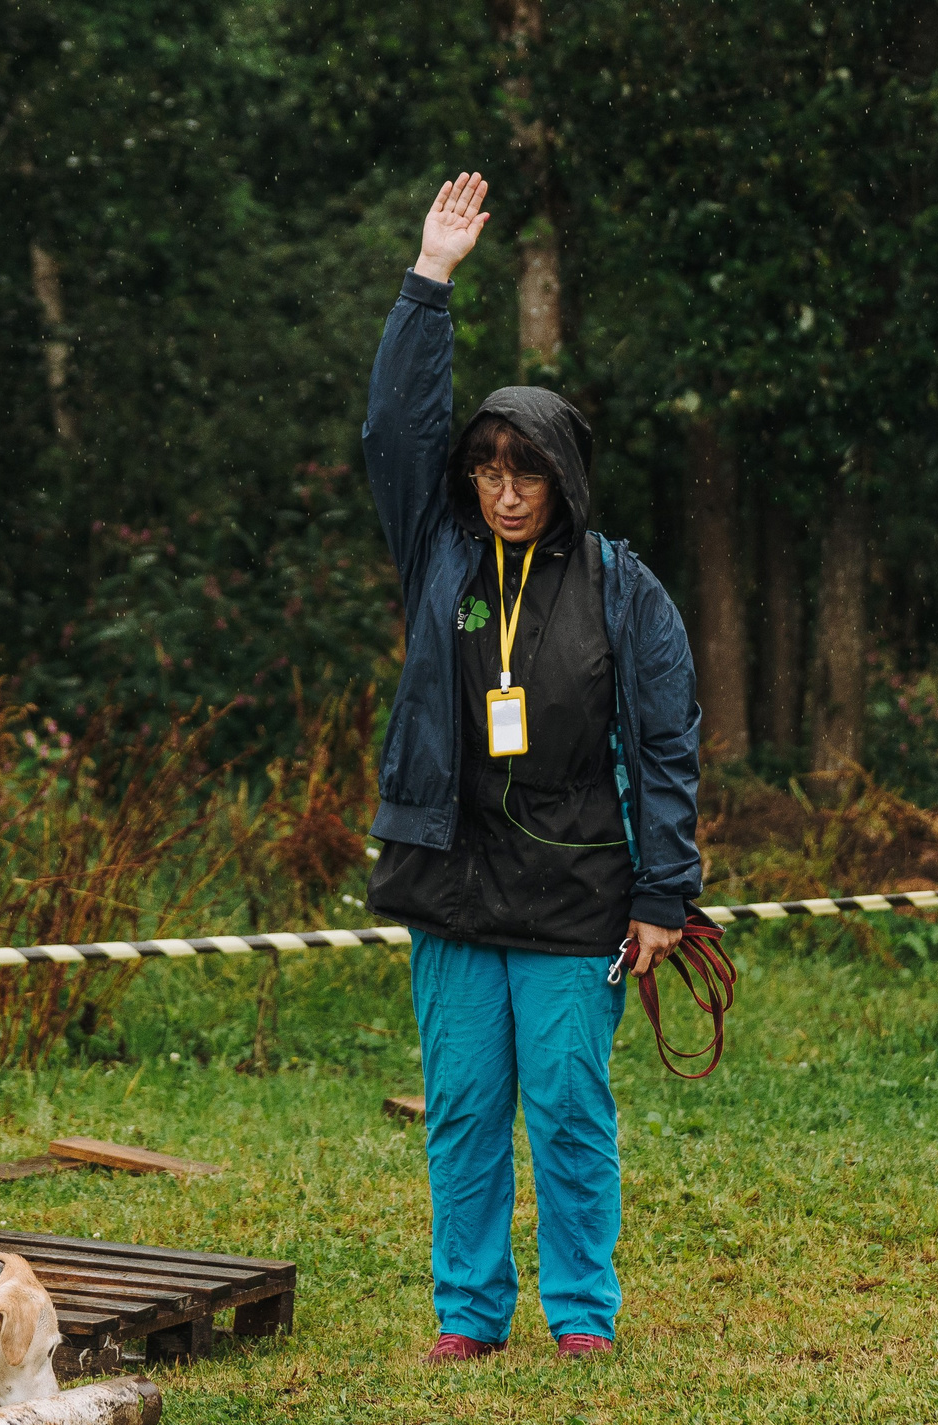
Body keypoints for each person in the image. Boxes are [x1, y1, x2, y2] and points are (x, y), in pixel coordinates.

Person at [361, 172, 703, 1363]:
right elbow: (392, 431)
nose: (505, 492)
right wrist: (430, 280)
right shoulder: (438, 554)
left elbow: (666, 743)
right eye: (487, 470)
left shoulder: (621, 585)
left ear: (562, 477)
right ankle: (467, 1315)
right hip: (449, 873)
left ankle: (581, 1316)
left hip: (574, 884)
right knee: (462, 1109)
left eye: (528, 472)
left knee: (564, 1108)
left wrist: (664, 893)